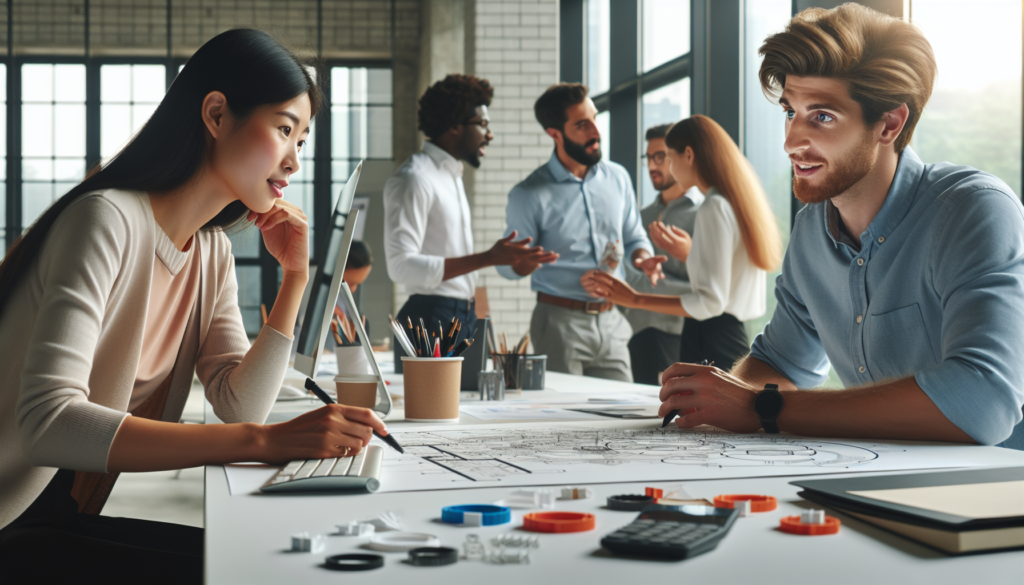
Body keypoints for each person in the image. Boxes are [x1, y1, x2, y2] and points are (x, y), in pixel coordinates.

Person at [0, 30, 391, 583]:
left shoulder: (211, 252)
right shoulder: (106, 218)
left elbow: (240, 403)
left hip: (54, 508)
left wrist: (296, 277)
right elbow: (49, 422)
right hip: (10, 519)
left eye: (302, 140)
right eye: (284, 129)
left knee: (280, 561)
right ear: (215, 114)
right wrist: (262, 443)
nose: (294, 161)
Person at [653, 4, 1024, 448]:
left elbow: (982, 401)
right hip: (880, 479)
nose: (791, 141)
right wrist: (715, 399)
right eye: (790, 111)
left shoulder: (972, 210)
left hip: (996, 492)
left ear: (889, 123)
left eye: (822, 116)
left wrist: (760, 409)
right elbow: (782, 364)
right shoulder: (812, 230)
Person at [583, 115, 782, 371]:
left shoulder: (713, 206)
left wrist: (636, 299)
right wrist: (692, 255)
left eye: (669, 157)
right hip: (730, 335)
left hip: (709, 336)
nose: (669, 168)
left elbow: (710, 302)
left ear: (688, 155)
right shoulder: (734, 202)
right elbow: (724, 284)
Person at [497, 83, 666, 382]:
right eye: (582, 124)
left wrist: (643, 260)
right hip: (559, 323)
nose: (596, 132)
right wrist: (527, 260)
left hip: (613, 321)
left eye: (595, 119)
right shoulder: (528, 194)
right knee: (564, 419)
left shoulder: (618, 178)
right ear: (555, 133)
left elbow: (634, 237)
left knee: (623, 418)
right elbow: (508, 268)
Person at [384, 75, 556, 367]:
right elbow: (400, 266)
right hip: (429, 320)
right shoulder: (415, 178)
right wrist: (488, 257)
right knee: (434, 413)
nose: (489, 135)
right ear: (455, 126)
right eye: (483, 125)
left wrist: (515, 262)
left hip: (462, 315)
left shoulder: (451, 176)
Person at [622, 124, 705, 384]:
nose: (651, 166)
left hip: (681, 335)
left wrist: (643, 286)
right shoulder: (641, 217)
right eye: (648, 157)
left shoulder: (704, 214)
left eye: (660, 157)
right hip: (636, 334)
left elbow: (706, 287)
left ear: (681, 156)